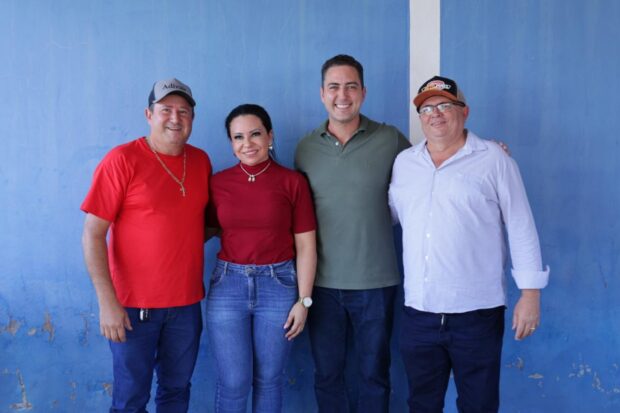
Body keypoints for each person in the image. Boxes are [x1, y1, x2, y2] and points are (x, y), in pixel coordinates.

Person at [389, 75, 550, 412]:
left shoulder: (494, 160)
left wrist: (530, 294)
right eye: (426, 108)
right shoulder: (405, 164)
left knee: (479, 404)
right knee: (421, 404)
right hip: (419, 311)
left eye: (444, 105)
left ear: (464, 111)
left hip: (476, 313)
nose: (435, 114)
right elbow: (390, 216)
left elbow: (521, 225)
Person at [81, 78, 211, 413]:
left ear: (193, 118)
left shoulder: (200, 161)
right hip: (132, 309)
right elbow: (93, 234)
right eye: (166, 109)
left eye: (184, 111)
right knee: (130, 400)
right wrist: (107, 301)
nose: (175, 118)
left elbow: (201, 223)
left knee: (176, 392)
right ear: (149, 114)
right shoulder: (122, 160)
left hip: (186, 306)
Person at [294, 54, 411, 412]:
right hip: (321, 286)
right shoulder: (306, 148)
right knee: (328, 376)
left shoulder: (390, 139)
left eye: (350, 86)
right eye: (333, 87)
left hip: (376, 284)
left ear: (363, 92)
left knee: (374, 375)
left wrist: (480, 150)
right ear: (322, 94)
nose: (342, 95)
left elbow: (431, 172)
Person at [205, 104, 317, 413]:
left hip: (278, 286)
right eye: (238, 137)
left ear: (270, 136)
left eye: (255, 134)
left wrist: (304, 301)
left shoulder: (292, 182)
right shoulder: (218, 183)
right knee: (233, 382)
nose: (247, 144)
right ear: (231, 143)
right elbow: (206, 230)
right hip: (228, 286)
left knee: (269, 380)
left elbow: (306, 246)